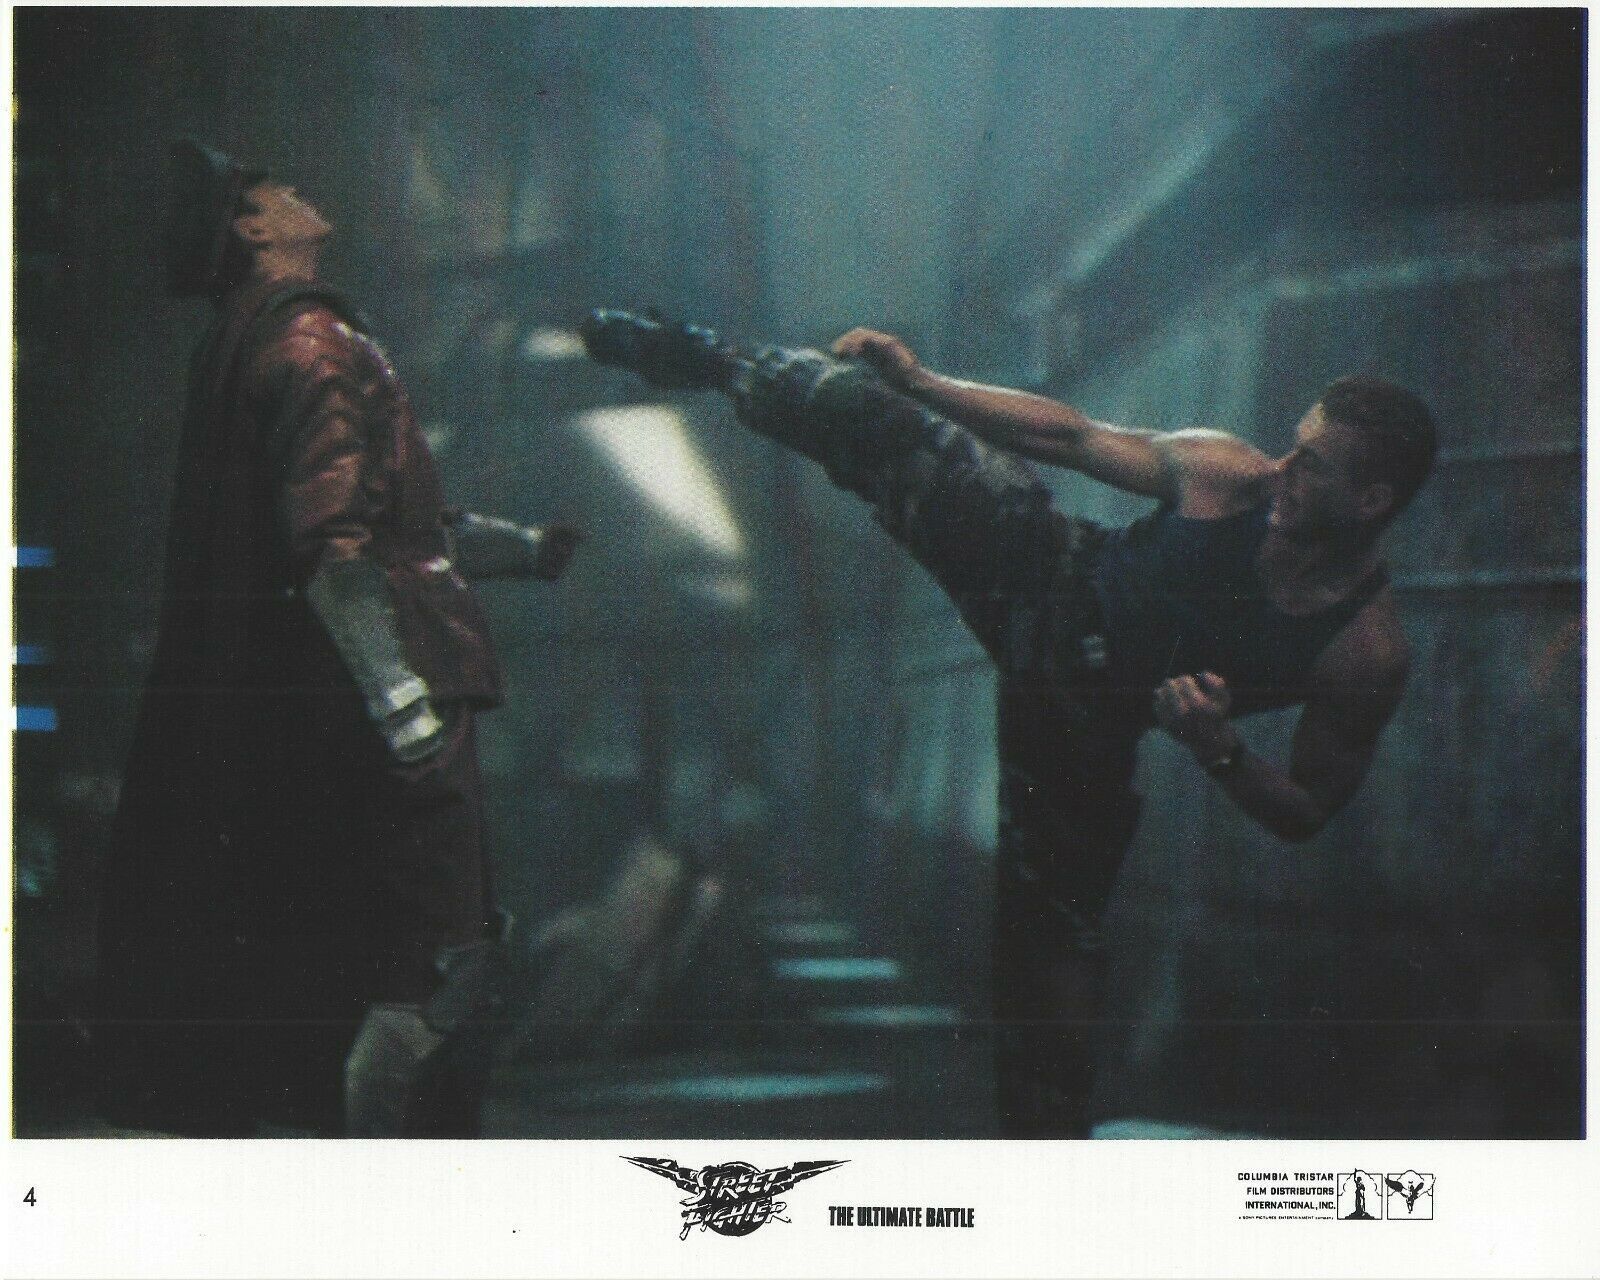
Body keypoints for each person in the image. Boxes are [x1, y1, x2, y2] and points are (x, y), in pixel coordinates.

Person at [581, 310, 1436, 1136]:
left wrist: (1221, 751)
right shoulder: (1230, 476)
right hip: (1045, 574)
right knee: (864, 409)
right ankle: (708, 356)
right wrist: (921, 381)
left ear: (1371, 499)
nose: (1286, 469)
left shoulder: (1362, 652)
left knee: (1053, 965)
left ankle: (1042, 1168)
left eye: (1314, 465)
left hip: (1082, 725)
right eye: (1293, 444)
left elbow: (1305, 809)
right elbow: (1068, 436)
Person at [95, 142, 574, 1137]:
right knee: (439, 942)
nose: (302, 193)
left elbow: (381, 530)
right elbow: (334, 545)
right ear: (252, 228)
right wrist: (399, 699)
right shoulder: (316, 341)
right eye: (279, 191)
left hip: (330, 683)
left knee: (386, 940)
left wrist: (520, 549)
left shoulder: (249, 342)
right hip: (399, 676)